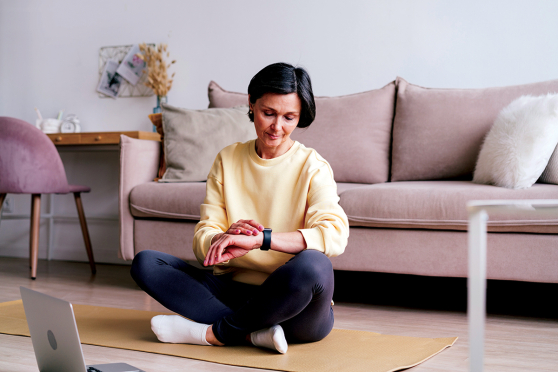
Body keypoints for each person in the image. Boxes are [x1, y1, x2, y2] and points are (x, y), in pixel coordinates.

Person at [130, 62, 349, 354]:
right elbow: (203, 236)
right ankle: (252, 334)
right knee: (145, 263)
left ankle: (214, 333)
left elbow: (334, 235)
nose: (277, 127)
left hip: (293, 305)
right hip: (232, 293)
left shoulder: (313, 167)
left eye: (289, 117)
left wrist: (262, 240)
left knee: (315, 265)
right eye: (267, 113)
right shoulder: (228, 159)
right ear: (251, 103)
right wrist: (220, 240)